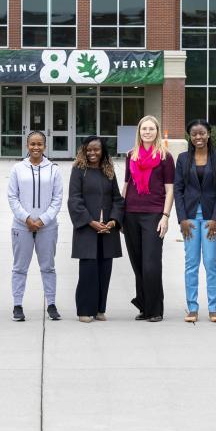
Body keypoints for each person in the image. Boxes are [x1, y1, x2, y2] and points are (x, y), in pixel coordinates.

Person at [173, 119, 216, 323]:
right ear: (190, 136)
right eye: (194, 134)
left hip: (209, 218)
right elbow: (178, 190)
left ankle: (213, 308)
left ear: (209, 134)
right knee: (191, 263)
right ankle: (192, 308)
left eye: (202, 133)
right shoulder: (183, 158)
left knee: (211, 262)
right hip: (190, 219)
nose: (198, 137)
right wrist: (182, 219)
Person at [7, 131, 64, 322]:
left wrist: (42, 220)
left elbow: (57, 199)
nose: (36, 147)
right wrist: (27, 219)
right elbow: (12, 197)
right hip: (22, 227)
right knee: (19, 268)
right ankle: (17, 305)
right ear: (27, 145)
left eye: (40, 144)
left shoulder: (53, 169)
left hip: (47, 227)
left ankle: (52, 304)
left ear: (45, 146)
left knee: (48, 267)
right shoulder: (17, 168)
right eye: (32, 144)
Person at [123, 115, 175, 322]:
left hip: (154, 214)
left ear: (157, 131)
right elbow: (127, 185)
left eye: (151, 129)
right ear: (139, 132)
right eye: (144, 129)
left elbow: (169, 190)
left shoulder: (165, 157)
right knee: (137, 263)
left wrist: (165, 216)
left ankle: (155, 309)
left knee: (151, 264)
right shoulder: (131, 156)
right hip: (131, 214)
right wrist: (119, 214)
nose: (147, 132)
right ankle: (144, 307)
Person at [68, 136, 125, 323]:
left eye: (96, 150)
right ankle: (84, 310)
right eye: (88, 150)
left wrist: (114, 220)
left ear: (103, 151)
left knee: (104, 271)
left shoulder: (108, 171)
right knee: (88, 271)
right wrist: (90, 222)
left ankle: (100, 309)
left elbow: (117, 199)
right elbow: (74, 200)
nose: (92, 153)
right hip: (87, 229)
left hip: (107, 230)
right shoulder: (79, 170)